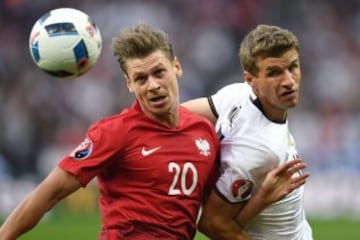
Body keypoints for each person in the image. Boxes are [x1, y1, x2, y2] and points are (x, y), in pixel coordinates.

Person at [0, 24, 308, 240]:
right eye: (141, 78)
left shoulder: (203, 132)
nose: (153, 85)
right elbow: (49, 192)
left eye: (159, 72)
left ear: (176, 67)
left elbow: (214, 217)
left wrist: (262, 199)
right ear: (129, 85)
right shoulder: (115, 132)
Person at [183, 24, 313, 239]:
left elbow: (177, 115)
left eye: (293, 67)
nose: (289, 81)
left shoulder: (238, 94)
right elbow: (213, 224)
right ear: (251, 79)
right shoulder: (259, 150)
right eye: (274, 73)